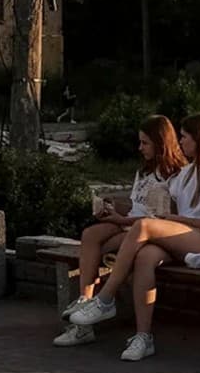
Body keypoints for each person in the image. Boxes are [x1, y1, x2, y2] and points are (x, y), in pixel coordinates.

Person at [65, 113, 200, 361]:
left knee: (144, 228)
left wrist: (177, 221)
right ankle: (143, 337)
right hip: (185, 239)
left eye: (184, 138)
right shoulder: (188, 173)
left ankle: (105, 299)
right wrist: (118, 208)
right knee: (146, 257)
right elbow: (157, 205)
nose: (180, 143)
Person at [54, 115, 185, 347]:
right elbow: (137, 204)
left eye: (145, 143)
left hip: (149, 232)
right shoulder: (144, 171)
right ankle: (86, 300)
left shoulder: (176, 175)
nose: (140, 148)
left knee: (103, 248)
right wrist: (112, 207)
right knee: (90, 235)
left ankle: (95, 311)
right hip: (130, 222)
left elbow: (162, 218)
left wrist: (123, 218)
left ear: (160, 142)